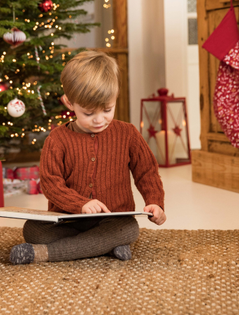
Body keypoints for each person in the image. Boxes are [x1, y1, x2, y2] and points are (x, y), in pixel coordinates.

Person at [10, 50, 166, 264]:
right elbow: (50, 184)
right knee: (33, 231)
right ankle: (106, 245)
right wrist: (81, 204)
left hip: (113, 219)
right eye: (89, 113)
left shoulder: (128, 133)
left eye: (107, 110)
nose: (99, 120)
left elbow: (146, 171)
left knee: (128, 229)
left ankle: (45, 254)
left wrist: (155, 202)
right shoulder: (57, 139)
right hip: (70, 219)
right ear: (69, 103)